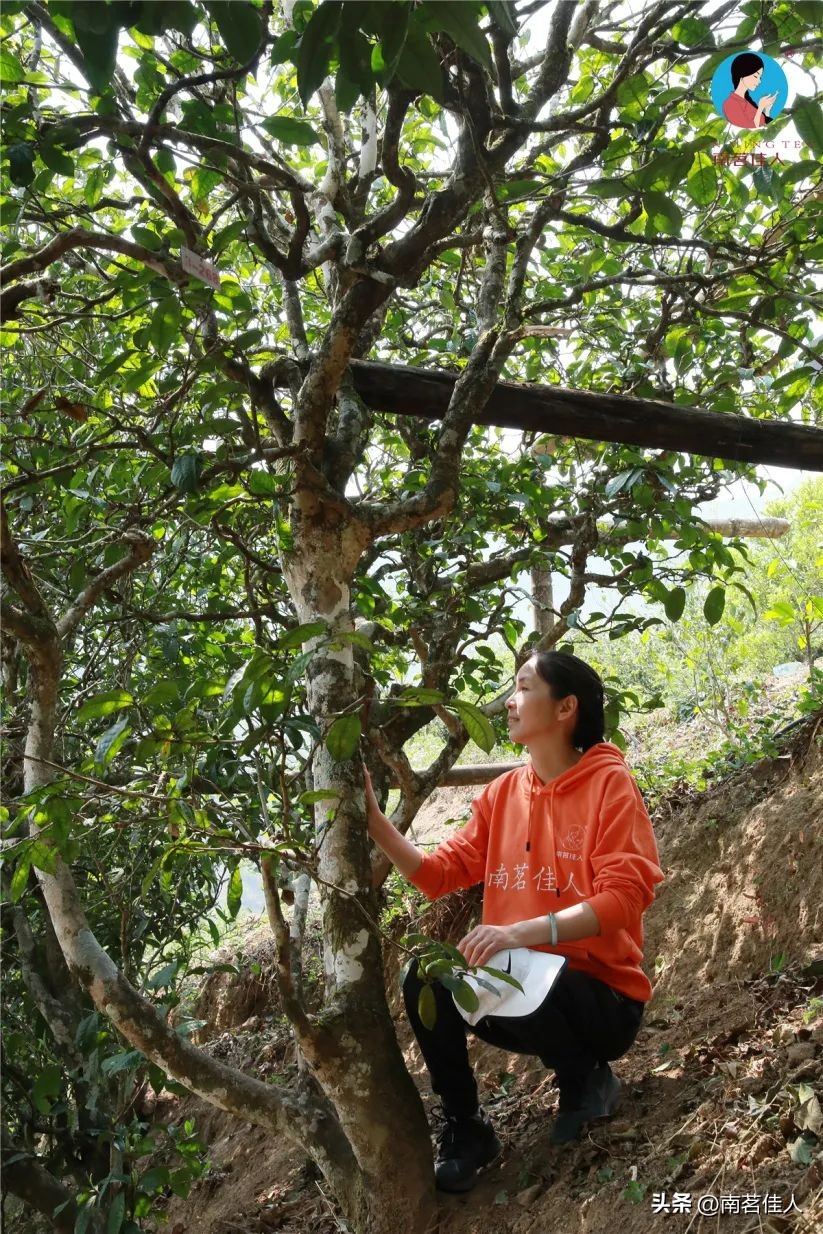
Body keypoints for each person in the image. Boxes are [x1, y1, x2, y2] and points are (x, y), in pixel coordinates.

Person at [364, 650, 665, 1192]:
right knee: (423, 975)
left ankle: (585, 1080)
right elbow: (437, 875)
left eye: (524, 687)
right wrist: (374, 821)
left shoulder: (609, 785)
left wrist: (520, 932)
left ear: (566, 707)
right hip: (520, 988)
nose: (510, 700)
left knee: (540, 973)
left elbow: (625, 897)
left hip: (598, 1000)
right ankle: (466, 1127)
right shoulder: (504, 793)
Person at [722, 52, 777, 129]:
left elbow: (764, 125)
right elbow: (750, 126)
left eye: (760, 77)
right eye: (755, 76)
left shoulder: (748, 101)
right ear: (742, 75)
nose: (759, 81)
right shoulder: (730, 104)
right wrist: (761, 107)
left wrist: (767, 109)